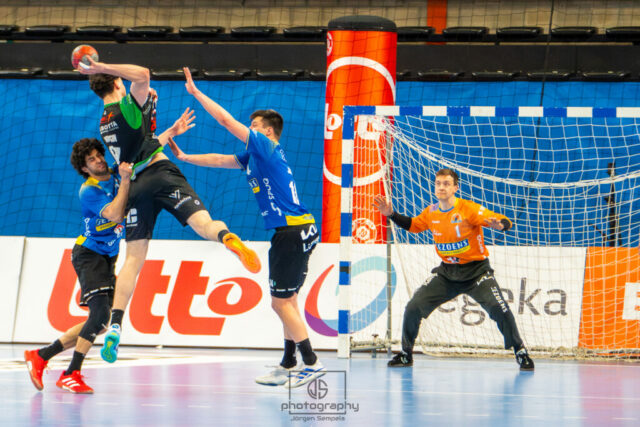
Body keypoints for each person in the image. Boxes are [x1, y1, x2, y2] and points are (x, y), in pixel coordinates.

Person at [77, 59, 261, 364]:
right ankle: (227, 238)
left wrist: (169, 129)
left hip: (136, 186)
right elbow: (143, 74)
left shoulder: (105, 122)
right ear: (118, 82)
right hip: (162, 173)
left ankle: (116, 326)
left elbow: (140, 146)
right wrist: (100, 64)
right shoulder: (126, 106)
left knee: (133, 259)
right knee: (204, 224)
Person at [166, 67, 323, 388]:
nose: (249, 131)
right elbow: (219, 159)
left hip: (291, 232)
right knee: (289, 300)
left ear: (268, 132)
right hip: (301, 230)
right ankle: (288, 362)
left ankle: (311, 363)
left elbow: (226, 121)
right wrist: (185, 157)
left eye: (254, 127)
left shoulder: (265, 147)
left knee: (280, 303)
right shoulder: (256, 157)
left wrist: (196, 93)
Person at [373, 168, 534, 371]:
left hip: (477, 273)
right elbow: (413, 225)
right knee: (414, 306)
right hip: (447, 274)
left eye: (446, 184)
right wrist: (391, 214)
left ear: (455, 188)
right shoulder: (431, 212)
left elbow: (501, 220)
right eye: (438, 183)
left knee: (499, 308)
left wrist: (501, 225)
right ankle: (406, 354)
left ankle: (520, 351)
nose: (441, 187)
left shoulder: (468, 209)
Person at [24, 138, 133, 393]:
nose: (98, 160)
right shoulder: (89, 190)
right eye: (91, 160)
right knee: (99, 316)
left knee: (101, 322)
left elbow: (147, 152)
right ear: (84, 168)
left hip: (108, 255)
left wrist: (172, 131)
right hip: (89, 253)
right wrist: (127, 181)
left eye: (98, 155)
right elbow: (116, 214)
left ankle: (41, 356)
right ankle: (71, 373)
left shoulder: (117, 173)